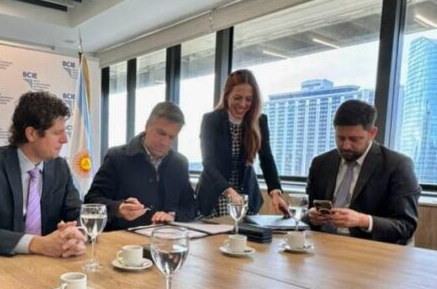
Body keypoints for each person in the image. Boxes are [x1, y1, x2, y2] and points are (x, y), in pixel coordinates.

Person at [0, 91, 86, 257]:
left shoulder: (59, 167)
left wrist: (74, 234)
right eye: (56, 133)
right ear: (31, 134)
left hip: (48, 263)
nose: (64, 139)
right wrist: (37, 244)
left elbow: (77, 213)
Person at [305, 100, 420, 244]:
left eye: (354, 139)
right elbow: (307, 211)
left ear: (372, 133)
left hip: (369, 247)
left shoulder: (397, 165)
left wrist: (363, 220)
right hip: (322, 244)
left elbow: (406, 226)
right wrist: (311, 215)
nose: (346, 146)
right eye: (340, 138)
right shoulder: (320, 163)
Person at [85, 101, 197, 231]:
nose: (165, 142)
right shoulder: (116, 157)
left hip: (166, 237)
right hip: (123, 237)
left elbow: (191, 207)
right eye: (161, 133)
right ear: (147, 126)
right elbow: (91, 201)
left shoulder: (180, 163)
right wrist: (118, 208)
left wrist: (172, 215)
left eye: (172, 137)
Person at [196, 69, 287, 217]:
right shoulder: (211, 120)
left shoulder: (260, 121)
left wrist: (275, 192)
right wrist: (230, 192)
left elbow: (267, 159)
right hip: (217, 191)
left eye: (248, 99)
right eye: (237, 98)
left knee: (245, 232)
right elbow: (208, 164)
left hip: (246, 192)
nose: (243, 104)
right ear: (227, 95)